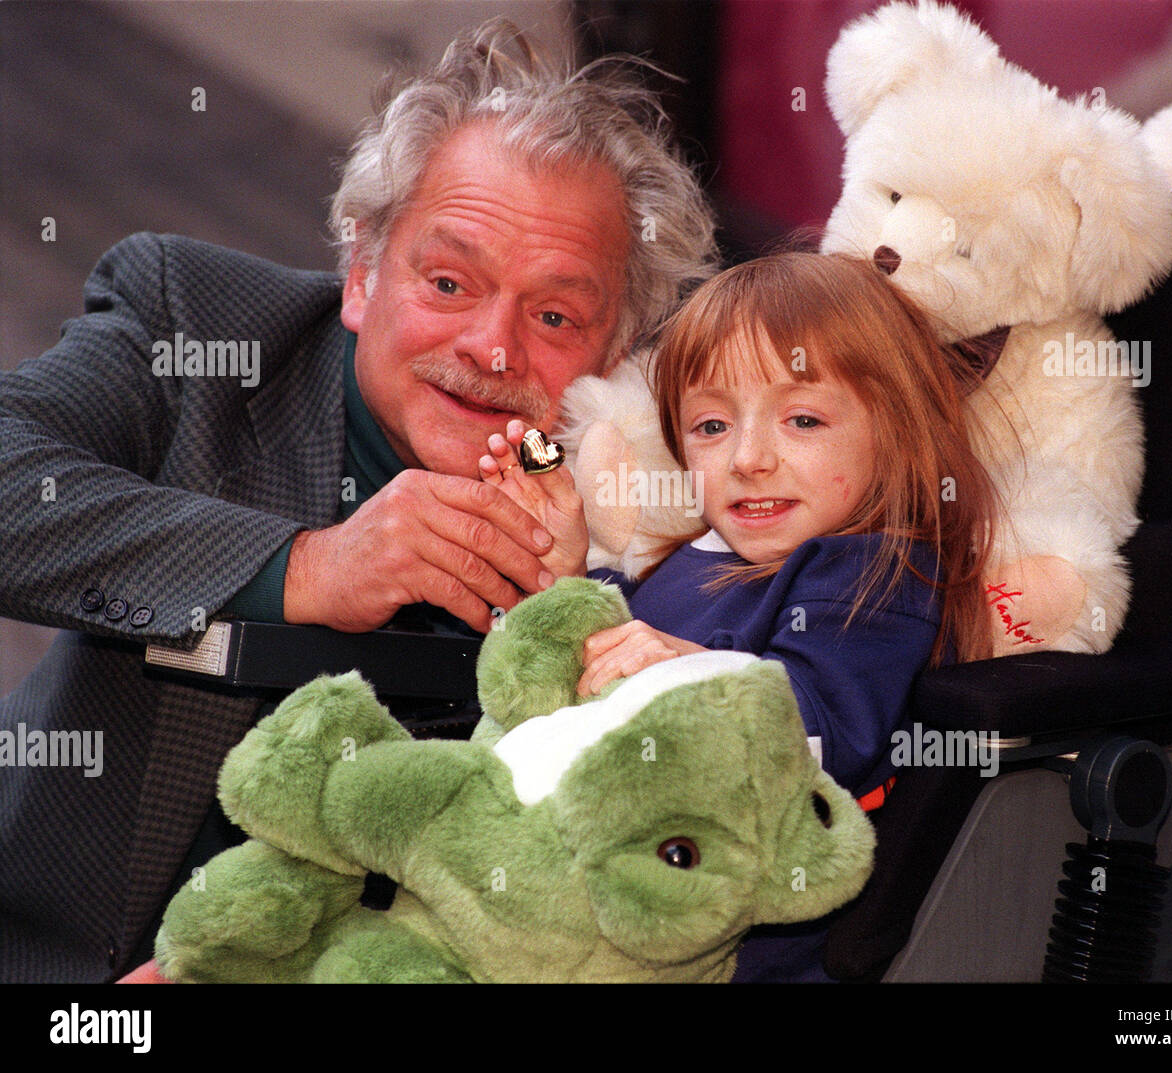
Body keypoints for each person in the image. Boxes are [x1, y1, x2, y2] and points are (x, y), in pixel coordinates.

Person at [0, 18, 715, 982]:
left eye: (553, 315)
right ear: (363, 271)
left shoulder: (664, 504)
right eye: (451, 279)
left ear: (614, 353)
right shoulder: (200, 327)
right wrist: (306, 566)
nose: (491, 347)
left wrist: (589, 641)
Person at [480, 250, 998, 981]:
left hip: (743, 949)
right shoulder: (693, 556)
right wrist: (564, 571)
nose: (750, 458)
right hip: (601, 894)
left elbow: (819, 731)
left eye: (803, 418)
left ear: (895, 431)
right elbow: (606, 660)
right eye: (713, 426)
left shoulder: (876, 569)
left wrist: (680, 669)